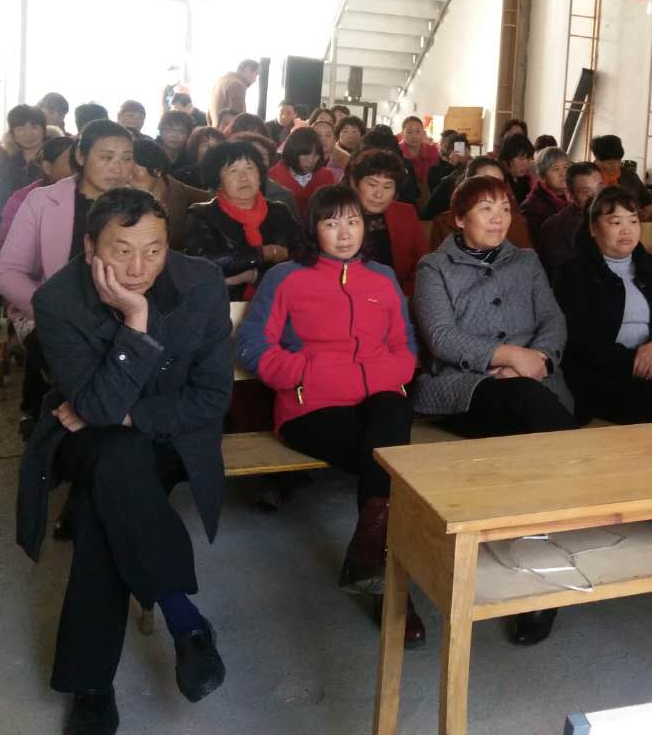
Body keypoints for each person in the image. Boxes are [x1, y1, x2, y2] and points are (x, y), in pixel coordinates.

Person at [16, 187, 232, 733]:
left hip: (170, 439)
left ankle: (90, 687)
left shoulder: (202, 283)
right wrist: (136, 321)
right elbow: (97, 410)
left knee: (103, 496)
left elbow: (211, 398)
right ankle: (185, 620)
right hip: (85, 442)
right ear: (91, 247)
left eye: (154, 251)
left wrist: (126, 414)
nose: (139, 268)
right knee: (113, 462)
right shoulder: (59, 300)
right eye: (122, 251)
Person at [235, 186, 425, 648]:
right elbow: (252, 345)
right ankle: (387, 582)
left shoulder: (382, 277)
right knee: (387, 463)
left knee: (393, 412)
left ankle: (373, 567)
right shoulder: (286, 277)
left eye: (353, 222)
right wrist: (304, 372)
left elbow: (405, 345)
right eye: (332, 222)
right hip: (312, 409)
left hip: (379, 401)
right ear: (313, 228)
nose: (344, 234)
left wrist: (392, 372)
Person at [411, 174, 575, 646]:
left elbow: (553, 320)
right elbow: (442, 337)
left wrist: (538, 360)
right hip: (466, 388)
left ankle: (540, 577)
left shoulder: (526, 261)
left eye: (505, 208)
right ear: (459, 219)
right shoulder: (434, 267)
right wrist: (506, 357)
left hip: (534, 382)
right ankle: (577, 515)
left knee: (530, 445)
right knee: (535, 418)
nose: (498, 218)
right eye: (486, 209)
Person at [0, 120, 136, 435]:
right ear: (81, 157)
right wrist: (49, 308)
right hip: (47, 311)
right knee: (70, 356)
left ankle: (100, 420)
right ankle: (62, 418)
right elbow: (7, 272)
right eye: (107, 157)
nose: (118, 168)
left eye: (127, 158)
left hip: (119, 313)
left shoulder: (140, 207)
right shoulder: (42, 201)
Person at [556, 187, 652, 424]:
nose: (626, 230)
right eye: (615, 222)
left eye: (633, 221)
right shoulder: (573, 273)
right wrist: (637, 363)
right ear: (592, 228)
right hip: (606, 369)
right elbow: (581, 340)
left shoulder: (651, 266)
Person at [184, 140, 297, 302]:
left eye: (250, 168)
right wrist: (263, 253)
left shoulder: (279, 211)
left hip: (278, 299)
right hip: (222, 303)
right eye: (233, 170)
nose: (243, 178)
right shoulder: (202, 214)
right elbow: (204, 262)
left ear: (260, 176)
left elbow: (301, 253)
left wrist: (253, 276)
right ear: (217, 181)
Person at [0, 104, 47, 331]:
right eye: (21, 128)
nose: (29, 133)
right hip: (9, 218)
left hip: (46, 218)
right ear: (12, 132)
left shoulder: (55, 154)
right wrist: (7, 215)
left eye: (34, 126)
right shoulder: (2, 155)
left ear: (43, 129)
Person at [350, 150, 428, 297]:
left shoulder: (405, 213)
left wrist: (402, 297)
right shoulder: (338, 214)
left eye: (387, 187)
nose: (379, 194)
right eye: (372, 184)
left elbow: (423, 264)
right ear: (355, 183)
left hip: (398, 297)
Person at [425, 155, 534, 252]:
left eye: (499, 183)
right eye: (484, 182)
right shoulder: (444, 223)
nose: (493, 189)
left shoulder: (517, 222)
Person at [129, 138, 211, 252]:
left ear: (157, 171)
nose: (128, 178)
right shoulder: (118, 197)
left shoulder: (193, 199)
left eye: (134, 172)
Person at [0, 135, 77, 252]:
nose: (80, 169)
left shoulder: (91, 196)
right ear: (48, 167)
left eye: (82, 162)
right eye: (72, 163)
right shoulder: (21, 201)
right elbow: (12, 249)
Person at [536, 161, 603, 279]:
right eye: (586, 192)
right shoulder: (554, 227)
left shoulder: (615, 216)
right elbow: (564, 275)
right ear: (570, 196)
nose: (596, 197)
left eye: (600, 189)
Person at [267, 127, 336, 221]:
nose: (311, 160)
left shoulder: (326, 177)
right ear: (293, 152)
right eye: (305, 155)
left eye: (316, 155)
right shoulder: (273, 177)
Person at [589, 134, 652, 220]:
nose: (616, 166)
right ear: (597, 159)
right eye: (610, 163)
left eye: (619, 161)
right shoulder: (586, 176)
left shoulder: (629, 176)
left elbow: (645, 196)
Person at [520, 146, 570, 243]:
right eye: (556, 169)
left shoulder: (573, 196)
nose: (563, 173)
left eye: (566, 167)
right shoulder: (532, 207)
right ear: (542, 177)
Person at [209, 59, 258, 127]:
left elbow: (209, 116)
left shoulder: (220, 82)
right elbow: (238, 118)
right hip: (228, 132)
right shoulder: (237, 85)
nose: (255, 80)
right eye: (256, 74)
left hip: (215, 130)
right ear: (247, 70)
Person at [398, 115, 440, 189]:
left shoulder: (432, 150)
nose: (414, 136)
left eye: (418, 131)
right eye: (409, 132)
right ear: (402, 134)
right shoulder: (397, 151)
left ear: (423, 132)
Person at [496, 132, 537, 205]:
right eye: (521, 158)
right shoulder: (499, 178)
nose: (525, 164)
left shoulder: (530, 180)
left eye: (529, 159)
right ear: (508, 157)